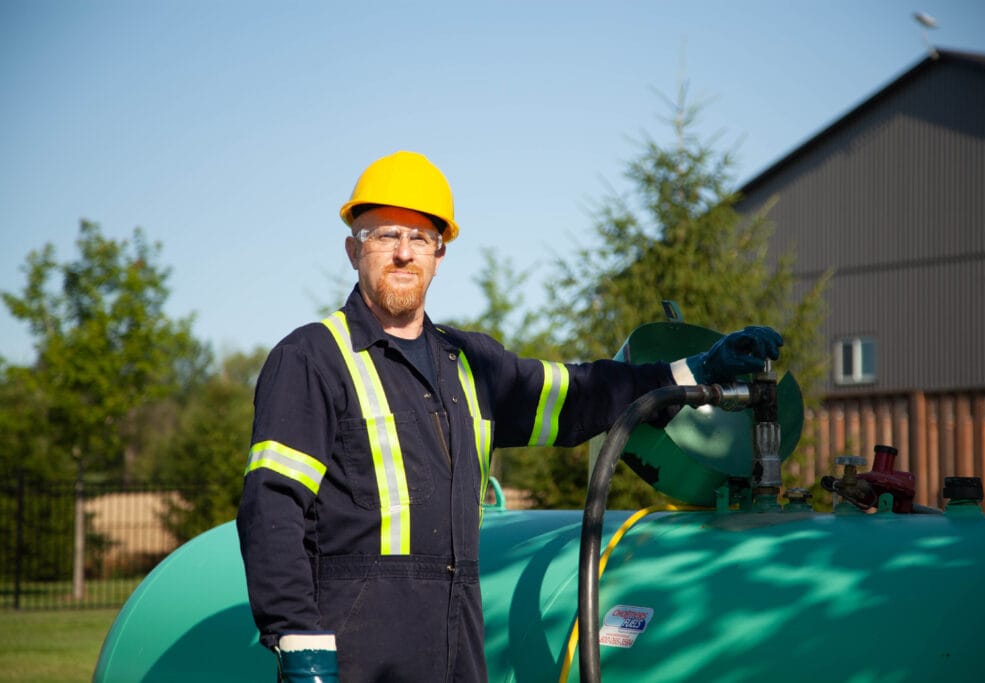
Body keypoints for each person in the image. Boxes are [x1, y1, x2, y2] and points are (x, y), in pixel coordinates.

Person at [236, 150, 782, 683]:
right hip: (358, 650)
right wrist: (299, 643)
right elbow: (273, 507)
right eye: (385, 235)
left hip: (456, 640)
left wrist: (690, 370)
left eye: (420, 237)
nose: (403, 252)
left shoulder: (470, 363)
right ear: (354, 251)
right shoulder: (313, 357)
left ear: (439, 255)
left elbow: (580, 394)